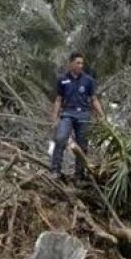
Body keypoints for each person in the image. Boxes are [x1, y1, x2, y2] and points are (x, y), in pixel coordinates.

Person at [50, 52, 104, 180]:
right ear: (71, 64)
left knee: (82, 145)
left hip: (83, 115)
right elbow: (58, 100)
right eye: (78, 63)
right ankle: (55, 170)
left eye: (82, 63)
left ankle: (79, 176)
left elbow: (94, 99)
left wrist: (101, 115)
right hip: (67, 114)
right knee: (60, 138)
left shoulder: (88, 80)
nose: (80, 65)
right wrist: (54, 118)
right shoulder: (62, 79)